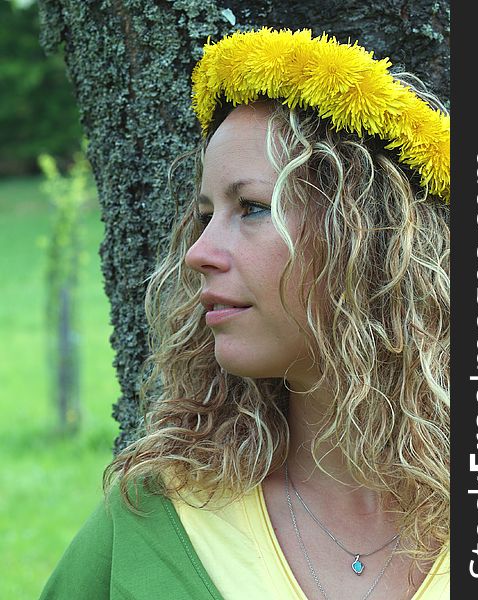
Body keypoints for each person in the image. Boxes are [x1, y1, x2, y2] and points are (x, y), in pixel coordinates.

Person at [39, 28, 450, 599]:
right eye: (206, 213)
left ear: (376, 242)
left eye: (252, 208)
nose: (198, 252)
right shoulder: (159, 514)